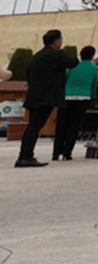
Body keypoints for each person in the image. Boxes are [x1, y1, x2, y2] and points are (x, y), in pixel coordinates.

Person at [15, 30, 78, 168]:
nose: (62, 42)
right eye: (61, 40)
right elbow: (72, 63)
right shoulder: (57, 54)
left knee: (31, 126)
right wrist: (74, 56)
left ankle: (23, 155)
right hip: (47, 97)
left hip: (34, 96)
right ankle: (27, 157)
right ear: (56, 42)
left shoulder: (37, 55)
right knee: (35, 127)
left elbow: (29, 73)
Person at [53, 45, 98, 161]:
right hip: (83, 97)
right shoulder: (94, 69)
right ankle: (67, 152)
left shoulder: (72, 66)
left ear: (80, 55)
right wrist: (92, 96)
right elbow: (94, 85)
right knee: (74, 126)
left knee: (61, 124)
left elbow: (64, 80)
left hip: (67, 96)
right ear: (92, 56)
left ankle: (56, 152)